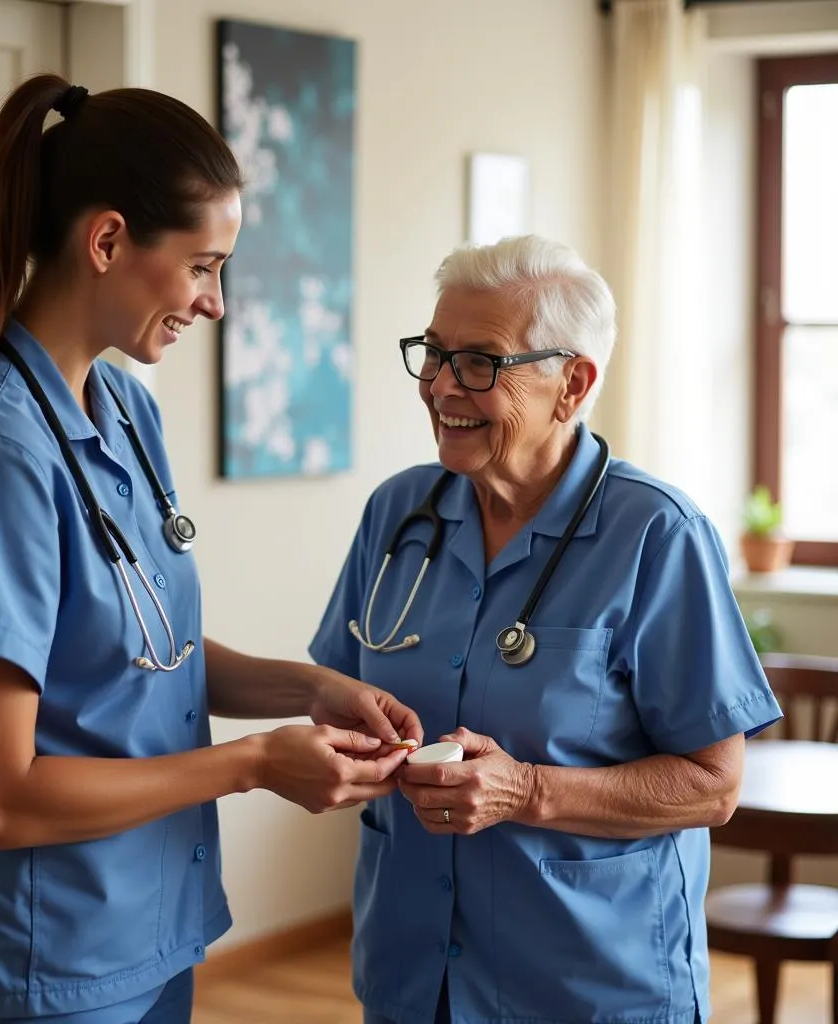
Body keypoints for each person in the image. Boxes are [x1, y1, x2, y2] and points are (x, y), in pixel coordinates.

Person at [0, 75, 421, 1024]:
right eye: (203, 265)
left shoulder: (124, 411)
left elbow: (141, 654)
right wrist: (259, 763)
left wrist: (307, 689)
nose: (216, 302)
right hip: (32, 958)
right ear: (107, 241)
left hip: (139, 931)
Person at [309, 235, 782, 1024]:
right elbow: (340, 693)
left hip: (586, 989)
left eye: (479, 362)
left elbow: (714, 784)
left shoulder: (656, 536)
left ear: (573, 384)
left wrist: (525, 789)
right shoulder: (398, 514)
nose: (440, 386)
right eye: (433, 353)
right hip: (410, 981)